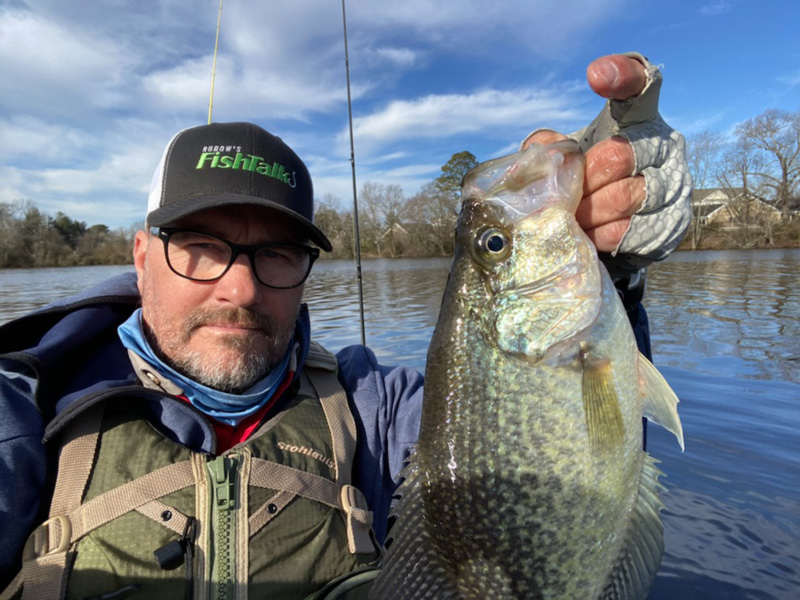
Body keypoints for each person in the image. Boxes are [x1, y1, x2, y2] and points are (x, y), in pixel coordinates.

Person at [0, 53, 691, 599]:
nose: (240, 287)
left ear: (305, 271)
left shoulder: (375, 408)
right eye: (202, 247)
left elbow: (570, 442)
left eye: (276, 252)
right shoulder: (25, 412)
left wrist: (615, 271)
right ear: (142, 256)